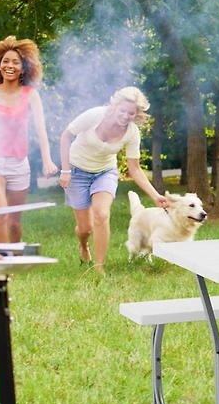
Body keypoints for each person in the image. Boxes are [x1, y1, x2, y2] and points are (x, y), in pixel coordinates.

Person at [59, 86, 167, 275]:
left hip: (105, 172)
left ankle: (99, 267)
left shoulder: (132, 133)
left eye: (131, 113)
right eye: (123, 110)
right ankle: (83, 245)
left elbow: (134, 168)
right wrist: (65, 170)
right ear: (115, 106)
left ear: (136, 115)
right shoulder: (95, 115)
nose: (126, 115)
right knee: (85, 228)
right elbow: (66, 136)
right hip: (77, 171)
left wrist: (155, 195)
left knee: (101, 214)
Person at [0, 36, 58, 243]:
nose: (9, 65)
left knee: (13, 222)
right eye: (5, 61)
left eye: (15, 62)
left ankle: (14, 258)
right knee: (1, 212)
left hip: (18, 164)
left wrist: (47, 160)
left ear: (23, 68)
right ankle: (1, 266)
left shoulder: (30, 95)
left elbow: (41, 130)